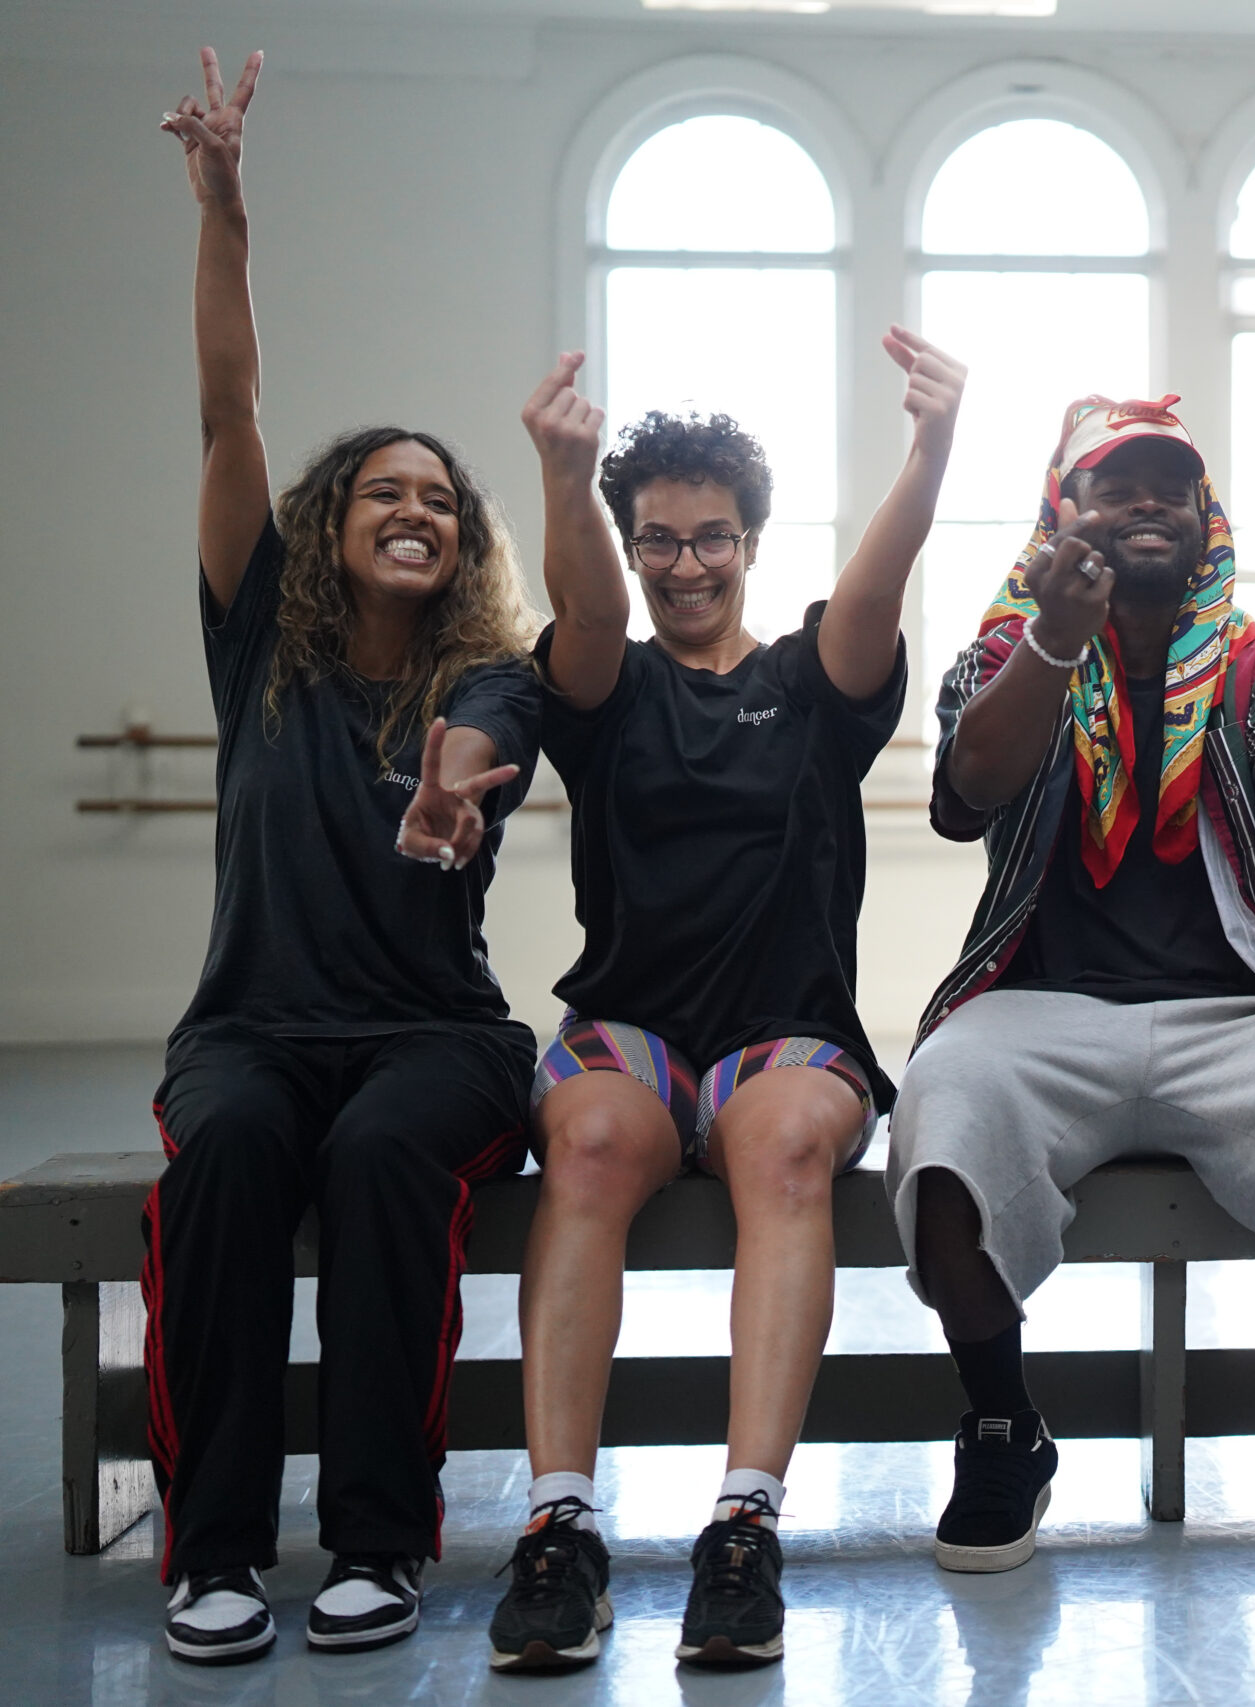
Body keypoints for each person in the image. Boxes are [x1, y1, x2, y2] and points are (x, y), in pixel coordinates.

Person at [888, 395, 1255, 1571]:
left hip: (1237, 1012)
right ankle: (1001, 1430)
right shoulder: (1009, 643)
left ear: (1206, 519)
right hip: (1041, 1011)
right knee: (938, 1115)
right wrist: (1055, 641)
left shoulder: (1247, 655)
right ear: (1064, 513)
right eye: (1115, 486)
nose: (1147, 504)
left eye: (1171, 487)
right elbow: (966, 796)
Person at [149, 49, 544, 1664]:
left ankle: (378, 1540)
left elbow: (476, 745)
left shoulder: (492, 671)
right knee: (230, 1156)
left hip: (436, 1040)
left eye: (440, 498)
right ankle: (217, 1552)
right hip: (249, 1029)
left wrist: (450, 795)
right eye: (385, 489)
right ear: (331, 519)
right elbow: (228, 405)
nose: (415, 509)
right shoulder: (259, 641)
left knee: (384, 1156)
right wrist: (226, 208)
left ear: (463, 538)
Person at [483, 333, 958, 1670]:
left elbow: (876, 589)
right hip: (630, 1029)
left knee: (790, 1144)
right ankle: (559, 1525)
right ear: (632, 546)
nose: (684, 564)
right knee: (586, 1142)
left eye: (711, 538)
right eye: (658, 540)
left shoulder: (810, 684)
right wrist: (564, 476)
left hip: (784, 1033)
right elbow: (583, 615)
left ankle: (743, 1525)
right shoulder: (607, 684)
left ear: (750, 541)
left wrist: (930, 452)